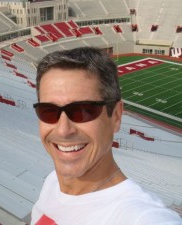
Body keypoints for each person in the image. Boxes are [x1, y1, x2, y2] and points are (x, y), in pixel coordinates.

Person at [31, 47, 182, 225]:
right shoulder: (52, 182)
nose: (63, 130)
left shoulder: (143, 218)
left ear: (116, 116)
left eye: (83, 111)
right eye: (48, 111)